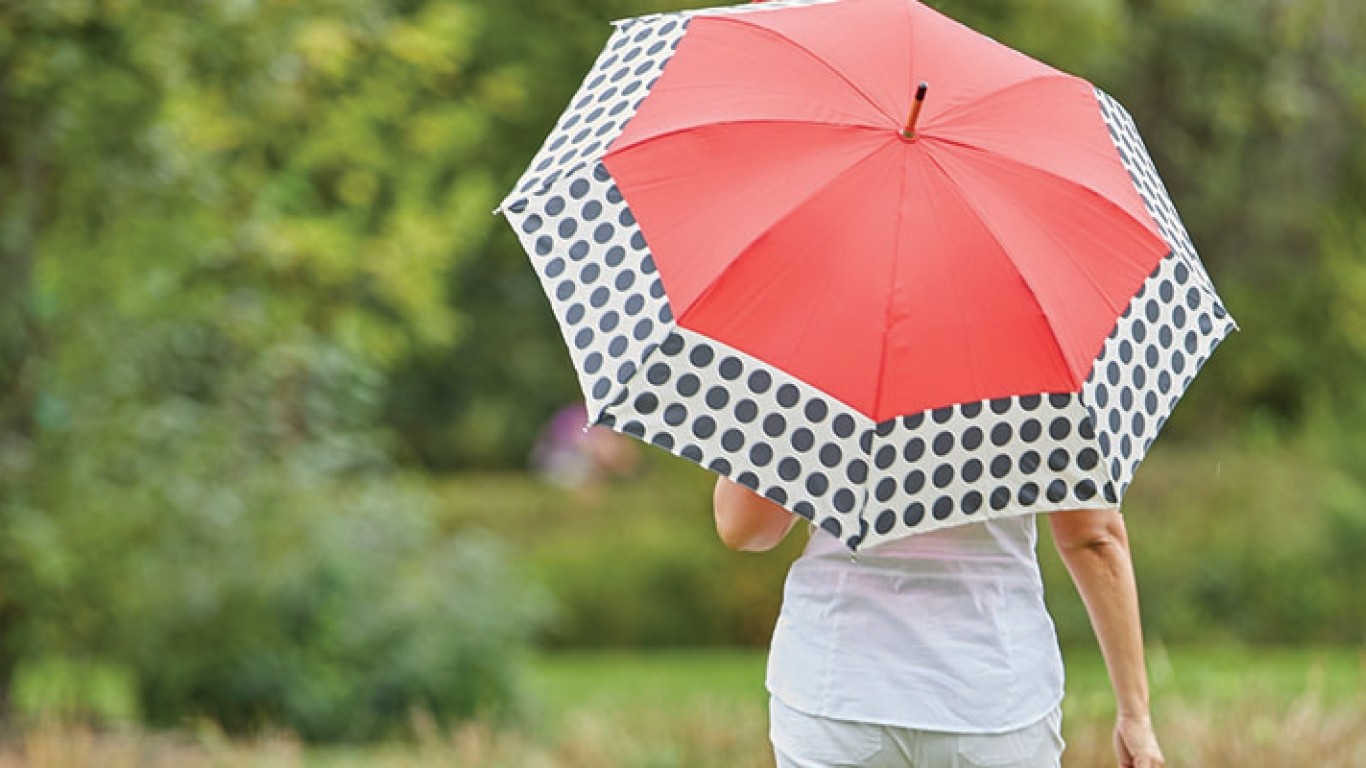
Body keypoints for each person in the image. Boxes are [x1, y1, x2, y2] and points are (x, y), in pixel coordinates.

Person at [713, 476, 1165, 768]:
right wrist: (1134, 714)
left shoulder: (815, 350)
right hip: (993, 698)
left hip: (836, 690)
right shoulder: (1033, 355)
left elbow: (745, 527)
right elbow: (1093, 536)